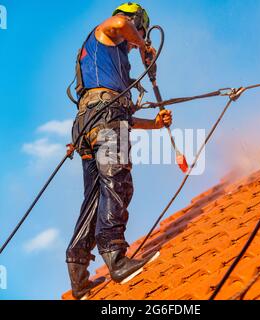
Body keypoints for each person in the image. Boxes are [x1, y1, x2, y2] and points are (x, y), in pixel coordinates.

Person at [66, 2, 173, 299]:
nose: (136, 39)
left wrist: (155, 124)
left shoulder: (110, 65)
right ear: (136, 23)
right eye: (139, 30)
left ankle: (78, 272)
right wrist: (143, 45)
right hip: (104, 123)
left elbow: (121, 116)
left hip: (90, 125)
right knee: (118, 184)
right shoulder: (109, 32)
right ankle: (116, 257)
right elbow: (117, 23)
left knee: (95, 198)